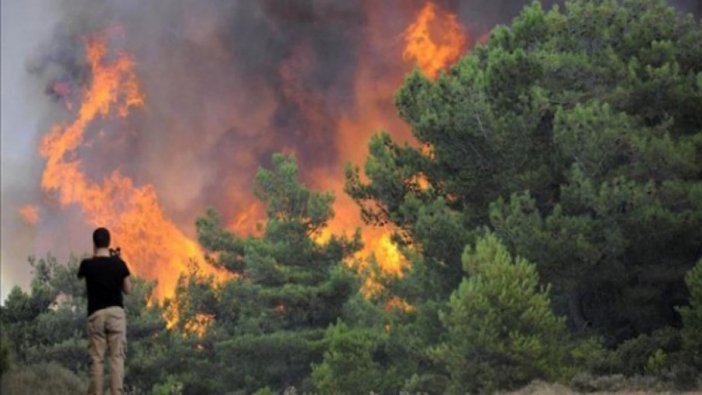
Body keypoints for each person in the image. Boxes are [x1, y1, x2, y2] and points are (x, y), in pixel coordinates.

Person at [78, 227, 132, 395]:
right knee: (117, 358)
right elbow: (128, 289)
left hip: (96, 315)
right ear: (109, 242)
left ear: (94, 243)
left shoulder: (87, 265)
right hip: (116, 314)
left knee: (97, 359)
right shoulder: (119, 264)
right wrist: (117, 261)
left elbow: (81, 278)